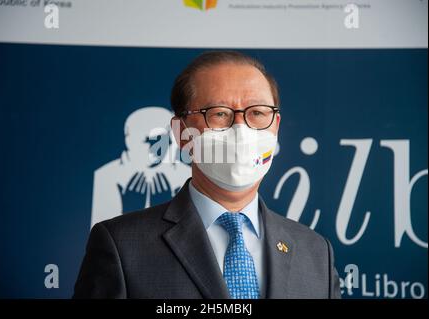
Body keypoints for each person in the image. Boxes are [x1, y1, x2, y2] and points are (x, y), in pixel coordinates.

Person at [73, 51, 341, 299]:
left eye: (258, 113)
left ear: (276, 128)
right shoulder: (122, 247)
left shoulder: (316, 253)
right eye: (219, 114)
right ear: (181, 134)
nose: (241, 130)